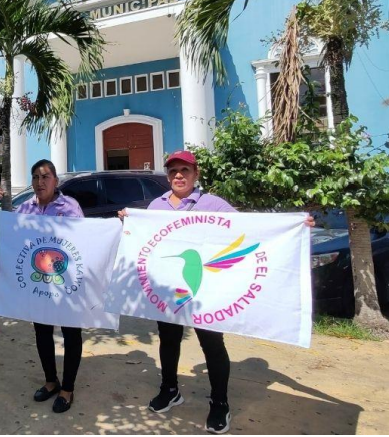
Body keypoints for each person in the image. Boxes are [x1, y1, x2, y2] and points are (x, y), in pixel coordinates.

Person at [118, 150, 314, 434]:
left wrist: (296, 226)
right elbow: (145, 240)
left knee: (212, 345)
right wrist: (130, 221)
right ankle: (170, 389)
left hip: (206, 295)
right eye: (173, 171)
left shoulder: (212, 203)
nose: (178, 176)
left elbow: (249, 231)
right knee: (168, 340)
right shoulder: (156, 206)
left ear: (195, 174)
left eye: (184, 170)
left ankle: (220, 403)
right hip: (168, 291)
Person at [0, 159, 84, 414]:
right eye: (35, 177)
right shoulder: (25, 209)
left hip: (67, 284)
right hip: (39, 284)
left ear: (55, 180)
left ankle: (67, 388)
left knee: (71, 334)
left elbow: (83, 241)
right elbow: (9, 231)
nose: (40, 182)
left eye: (45, 176)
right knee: (42, 332)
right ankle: (50, 381)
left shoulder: (70, 207)